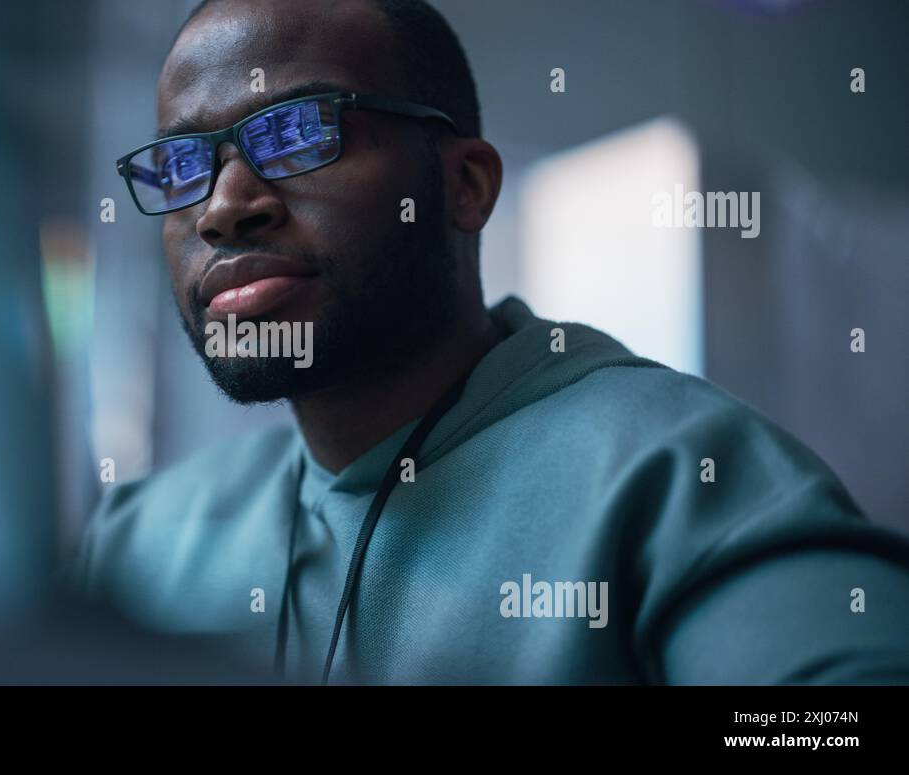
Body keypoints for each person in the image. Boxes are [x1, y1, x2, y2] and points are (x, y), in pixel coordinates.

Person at [67, 0, 909, 684]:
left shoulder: (678, 476)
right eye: (181, 167)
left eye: (296, 133)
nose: (223, 205)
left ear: (464, 185)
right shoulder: (142, 538)